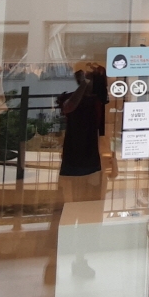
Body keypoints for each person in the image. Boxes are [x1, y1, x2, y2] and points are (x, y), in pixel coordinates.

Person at [44, 64, 115, 285]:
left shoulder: (97, 102)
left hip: (90, 165)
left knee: (86, 217)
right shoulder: (70, 97)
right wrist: (84, 86)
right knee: (65, 215)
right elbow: (69, 108)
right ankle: (54, 261)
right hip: (74, 166)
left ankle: (78, 259)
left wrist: (110, 160)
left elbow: (103, 132)